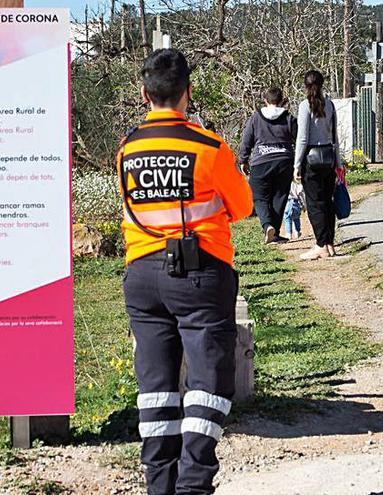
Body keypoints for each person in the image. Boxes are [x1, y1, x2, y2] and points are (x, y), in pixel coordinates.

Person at [117, 48, 253, 495]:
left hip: (142, 278)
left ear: (144, 94)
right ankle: (193, 484)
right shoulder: (210, 148)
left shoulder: (127, 150)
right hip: (200, 274)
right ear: (188, 94)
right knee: (208, 383)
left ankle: (159, 484)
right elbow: (244, 207)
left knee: (155, 388)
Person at [294, 69, 342, 261]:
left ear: (305, 86)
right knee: (328, 201)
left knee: (315, 203)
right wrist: (338, 161)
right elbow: (334, 136)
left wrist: (296, 164)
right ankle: (329, 243)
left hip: (311, 159)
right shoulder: (329, 104)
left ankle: (320, 244)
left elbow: (302, 138)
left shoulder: (305, 106)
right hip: (329, 157)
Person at [239, 86, 297, 243]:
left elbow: (247, 139)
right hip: (285, 161)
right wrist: (298, 163)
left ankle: (267, 226)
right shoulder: (289, 118)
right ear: (282, 100)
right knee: (280, 196)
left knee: (259, 196)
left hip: (261, 162)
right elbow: (299, 139)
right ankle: (275, 232)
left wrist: (243, 160)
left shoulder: (256, 117)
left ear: (265, 100)